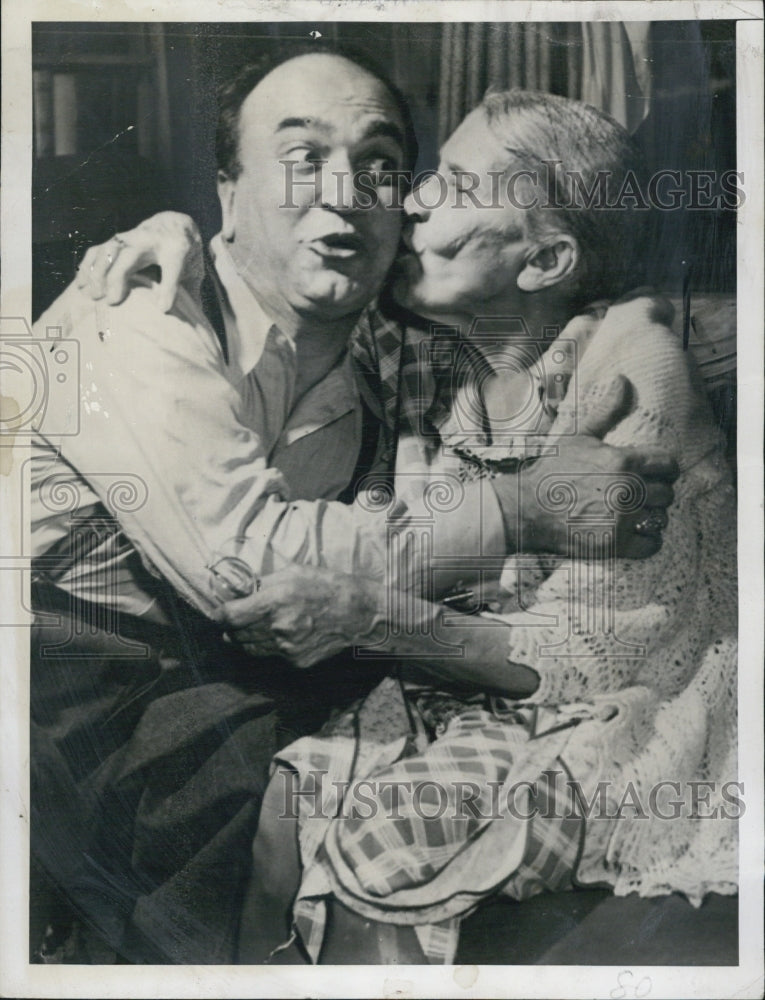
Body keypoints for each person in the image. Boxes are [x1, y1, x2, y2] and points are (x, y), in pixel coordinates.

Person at [44, 50, 677, 964]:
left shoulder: (392, 352)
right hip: (68, 690)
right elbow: (245, 562)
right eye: (301, 156)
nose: (347, 193)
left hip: (257, 671)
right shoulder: (140, 307)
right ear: (226, 190)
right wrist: (518, 512)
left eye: (382, 165)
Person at [210, 91, 735, 965]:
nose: (411, 202)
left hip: (628, 704)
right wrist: (167, 238)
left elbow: (578, 662)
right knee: (283, 807)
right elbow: (258, 252)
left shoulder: (633, 366)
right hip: (471, 679)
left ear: (545, 259)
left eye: (452, 186)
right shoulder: (432, 355)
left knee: (383, 852)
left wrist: (366, 613)